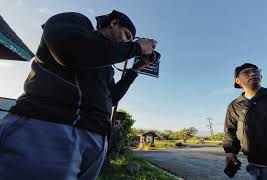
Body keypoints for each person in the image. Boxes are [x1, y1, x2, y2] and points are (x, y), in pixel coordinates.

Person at [0, 10, 157, 180]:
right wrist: (138, 47)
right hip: (49, 127)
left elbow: (111, 98)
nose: (126, 42)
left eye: (130, 40)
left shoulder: (106, 67)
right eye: (126, 35)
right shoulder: (74, 22)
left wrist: (136, 69)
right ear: (114, 23)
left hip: (94, 139)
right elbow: (71, 52)